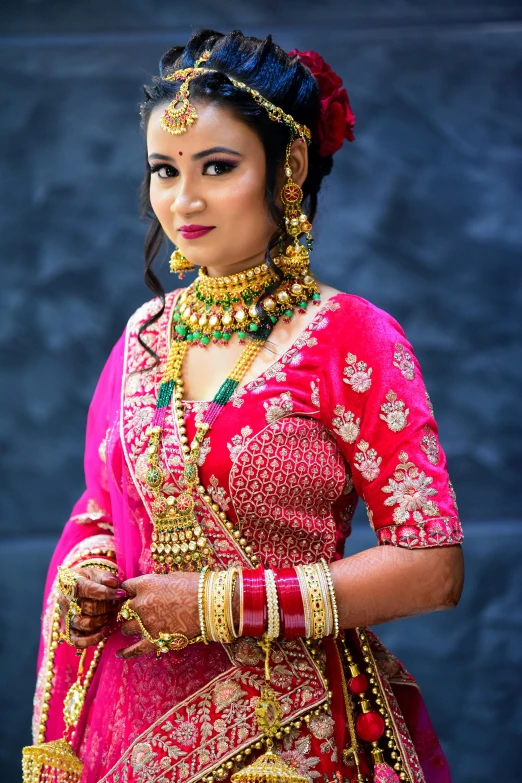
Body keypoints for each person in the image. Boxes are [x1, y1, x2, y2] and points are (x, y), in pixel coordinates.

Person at [24, 29, 464, 783]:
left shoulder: (348, 337)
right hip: (129, 733)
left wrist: (216, 604)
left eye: (217, 167)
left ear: (287, 167)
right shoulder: (144, 336)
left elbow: (431, 568)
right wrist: (89, 575)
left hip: (295, 735)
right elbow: (105, 507)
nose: (182, 200)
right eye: (164, 170)